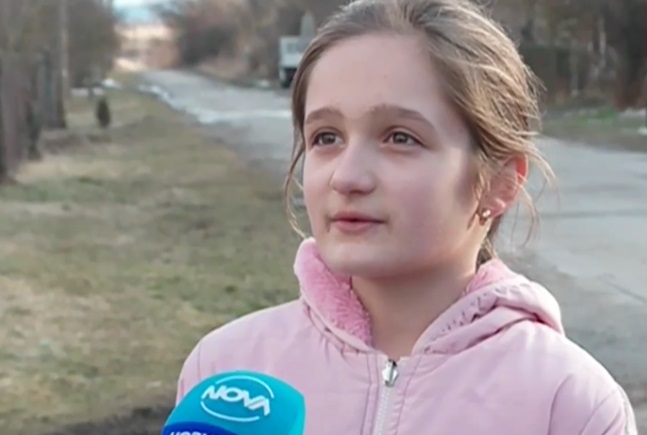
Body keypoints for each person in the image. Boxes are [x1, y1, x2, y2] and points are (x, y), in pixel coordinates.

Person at [175, 0, 638, 433]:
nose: (346, 177)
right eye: (325, 137)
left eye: (400, 138)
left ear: (500, 183)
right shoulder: (225, 375)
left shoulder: (569, 403)